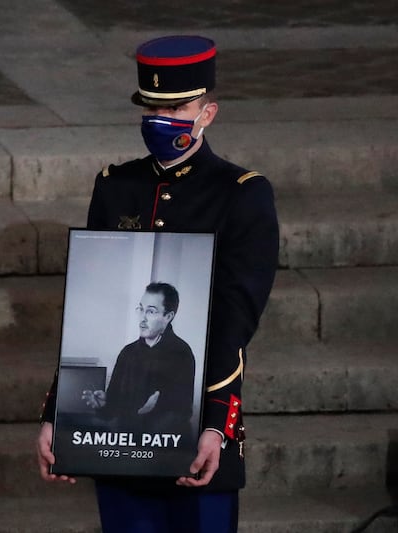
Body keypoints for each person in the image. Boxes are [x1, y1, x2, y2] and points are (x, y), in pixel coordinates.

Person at [36, 34, 279, 533]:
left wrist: (217, 424)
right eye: (151, 106)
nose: (160, 118)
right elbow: (82, 301)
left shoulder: (242, 195)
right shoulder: (115, 186)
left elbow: (235, 321)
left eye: (178, 106)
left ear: (208, 113)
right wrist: (56, 413)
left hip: (196, 436)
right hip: (120, 452)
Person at [82, 282, 195, 439]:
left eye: (151, 311)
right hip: (124, 441)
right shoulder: (127, 352)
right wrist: (104, 405)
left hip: (162, 449)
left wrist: (149, 412)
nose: (142, 318)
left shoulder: (181, 353)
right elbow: (113, 409)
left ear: (168, 317)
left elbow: (182, 413)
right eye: (141, 309)